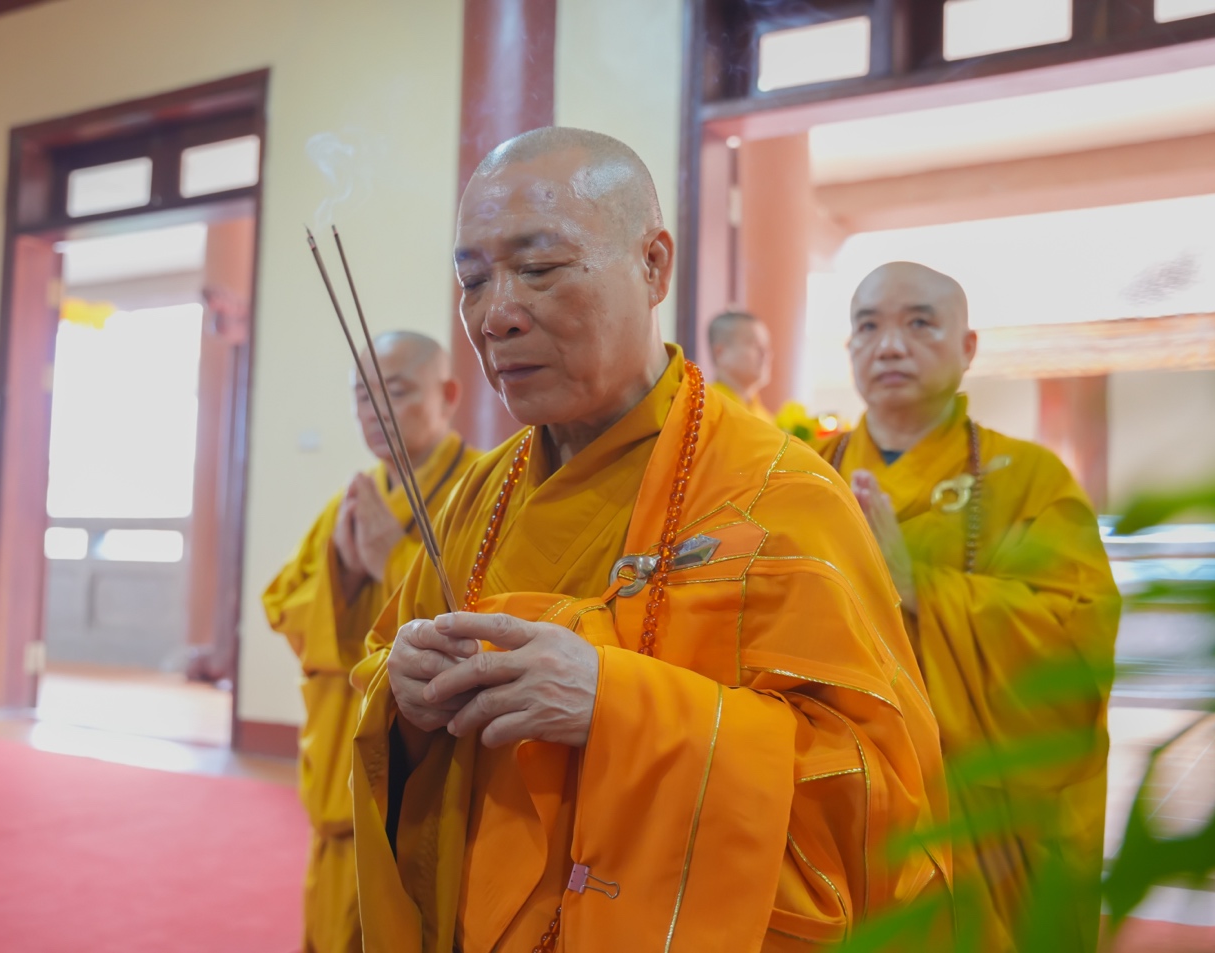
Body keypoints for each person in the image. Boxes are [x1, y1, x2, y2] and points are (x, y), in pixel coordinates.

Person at [348, 128, 948, 952]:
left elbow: (876, 794)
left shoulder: (781, 495)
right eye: (472, 279)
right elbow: (383, 666)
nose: (496, 315)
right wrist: (402, 691)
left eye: (540, 268)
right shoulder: (476, 497)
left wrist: (616, 707)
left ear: (655, 264)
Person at [817, 262, 1120, 951]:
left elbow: (1074, 646)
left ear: (968, 347)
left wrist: (920, 586)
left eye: (920, 322)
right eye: (868, 325)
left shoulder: (1033, 480)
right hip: (839, 793)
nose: (890, 345)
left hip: (979, 817)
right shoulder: (801, 474)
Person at [262, 331, 481, 953]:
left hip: (429, 770)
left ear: (447, 395)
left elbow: (487, 624)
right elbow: (284, 608)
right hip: (342, 764)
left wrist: (395, 557)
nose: (375, 412)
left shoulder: (482, 493)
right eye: (363, 396)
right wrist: (345, 568)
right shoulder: (350, 506)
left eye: (398, 391)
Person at [706, 310, 774, 420]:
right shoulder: (703, 408)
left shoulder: (767, 418)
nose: (765, 353)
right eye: (754, 344)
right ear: (720, 353)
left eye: (766, 345)